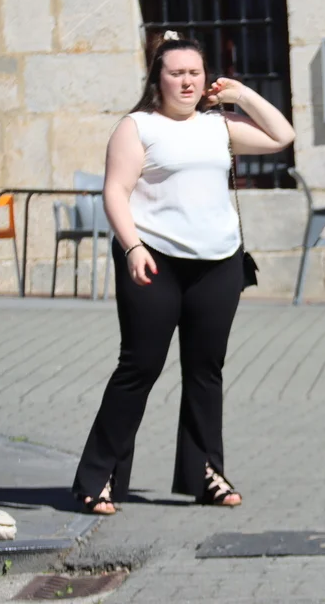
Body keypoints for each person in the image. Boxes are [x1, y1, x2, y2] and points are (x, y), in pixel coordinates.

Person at [71, 32, 296, 515]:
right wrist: (132, 247)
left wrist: (240, 94)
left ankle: (205, 475)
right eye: (177, 73)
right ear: (159, 78)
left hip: (219, 263)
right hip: (154, 260)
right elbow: (115, 191)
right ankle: (99, 475)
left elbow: (282, 136)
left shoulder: (219, 125)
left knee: (205, 370)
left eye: (195, 72)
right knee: (140, 366)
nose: (187, 81)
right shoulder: (138, 127)